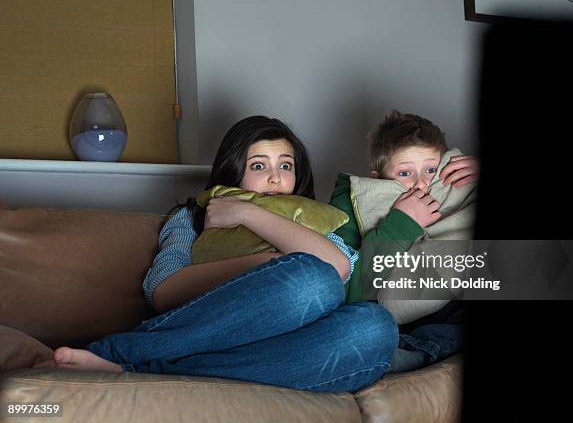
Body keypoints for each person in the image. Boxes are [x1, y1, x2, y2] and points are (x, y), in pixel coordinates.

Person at [32, 115, 399, 393]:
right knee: (309, 281)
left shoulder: (316, 222)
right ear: (233, 170)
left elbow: (336, 266)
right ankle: (120, 353)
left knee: (374, 326)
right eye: (259, 166)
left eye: (285, 165)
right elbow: (162, 291)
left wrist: (249, 214)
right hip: (216, 331)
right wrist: (264, 269)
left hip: (287, 350)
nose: (275, 178)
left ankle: (148, 374)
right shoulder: (190, 217)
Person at [329, 110, 479, 372]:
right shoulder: (351, 203)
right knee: (366, 323)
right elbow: (347, 292)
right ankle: (403, 351)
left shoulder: (453, 186)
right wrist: (401, 224)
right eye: (405, 173)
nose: (421, 184)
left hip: (449, 304)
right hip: (390, 313)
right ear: (378, 178)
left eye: (431, 169)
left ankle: (416, 351)